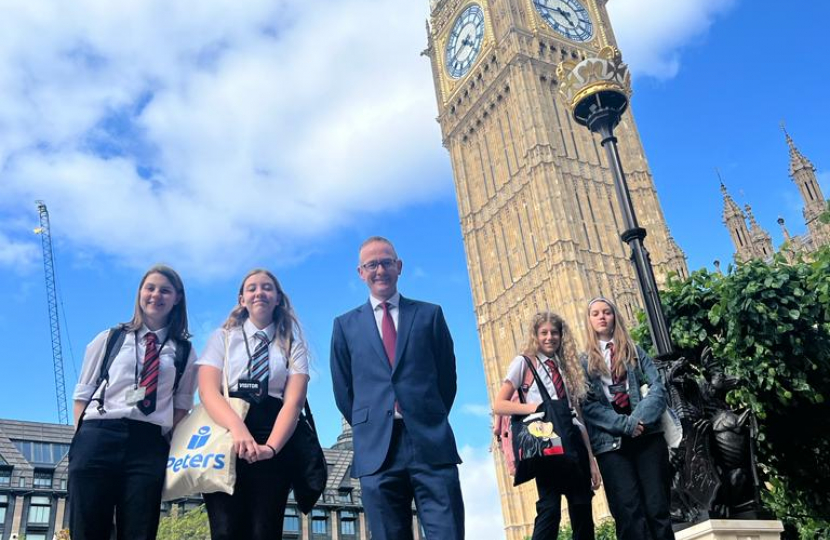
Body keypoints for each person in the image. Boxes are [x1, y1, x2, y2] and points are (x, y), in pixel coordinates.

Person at [330, 236, 465, 540]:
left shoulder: (430, 315)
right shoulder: (344, 325)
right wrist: (372, 424)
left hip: (430, 444)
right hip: (377, 451)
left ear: (399, 267)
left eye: (386, 262)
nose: (380, 270)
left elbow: (447, 378)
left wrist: (428, 414)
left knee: (448, 532)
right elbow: (343, 389)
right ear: (360, 272)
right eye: (372, 264)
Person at [69, 264, 197, 540]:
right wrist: (81, 439)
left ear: (177, 298)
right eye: (150, 288)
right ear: (140, 293)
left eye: (165, 290)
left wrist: (160, 436)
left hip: (147, 443)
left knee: (139, 529)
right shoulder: (111, 338)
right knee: (88, 527)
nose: (156, 295)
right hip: (98, 436)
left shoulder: (184, 351)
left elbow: (182, 405)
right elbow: (82, 395)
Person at [197, 268, 310, 540]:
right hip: (226, 432)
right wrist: (238, 429)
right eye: (252, 288)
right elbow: (208, 391)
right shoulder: (222, 338)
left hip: (273, 436)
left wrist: (271, 447)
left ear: (278, 298)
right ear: (241, 299)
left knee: (265, 530)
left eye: (267, 287)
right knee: (225, 530)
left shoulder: (292, 344)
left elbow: (293, 402)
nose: (260, 292)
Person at [493, 311, 601, 540]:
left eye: (554, 333)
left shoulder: (565, 366)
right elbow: (499, 404)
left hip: (574, 441)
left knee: (582, 510)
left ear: (562, 336)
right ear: (535, 335)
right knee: (550, 509)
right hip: (548, 441)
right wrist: (537, 409)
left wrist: (591, 461)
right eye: (544, 333)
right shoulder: (523, 363)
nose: (549, 337)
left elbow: (578, 418)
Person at [580, 297, 674, 540]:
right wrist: (625, 425)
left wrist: (638, 420)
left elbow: (658, 386)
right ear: (588, 321)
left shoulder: (633, 350)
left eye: (607, 312)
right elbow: (588, 406)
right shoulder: (583, 362)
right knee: (628, 514)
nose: (602, 317)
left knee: (658, 509)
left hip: (646, 434)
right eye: (596, 313)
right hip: (610, 443)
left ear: (615, 317)